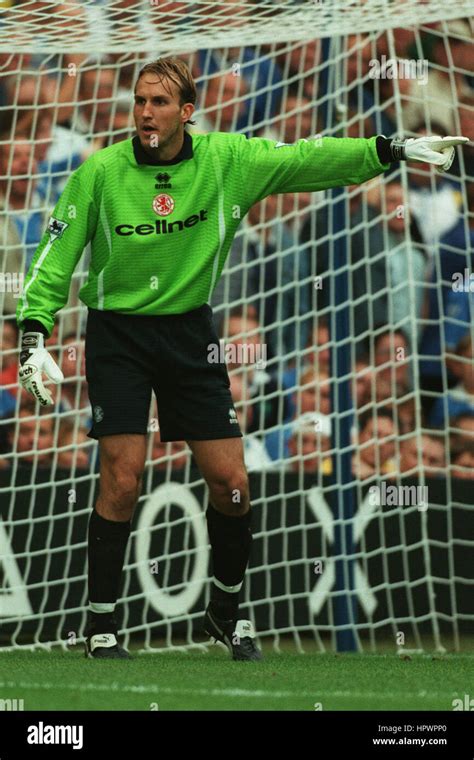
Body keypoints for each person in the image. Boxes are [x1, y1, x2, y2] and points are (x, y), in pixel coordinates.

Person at [15, 56, 468, 661]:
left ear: (186, 112)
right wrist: (33, 335)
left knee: (232, 485)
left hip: (189, 334)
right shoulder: (98, 172)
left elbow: (306, 159)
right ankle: (102, 625)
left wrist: (390, 149)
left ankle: (225, 615)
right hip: (117, 335)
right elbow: (53, 255)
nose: (146, 112)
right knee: (122, 478)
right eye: (139, 101)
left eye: (158, 103)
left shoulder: (227, 160)